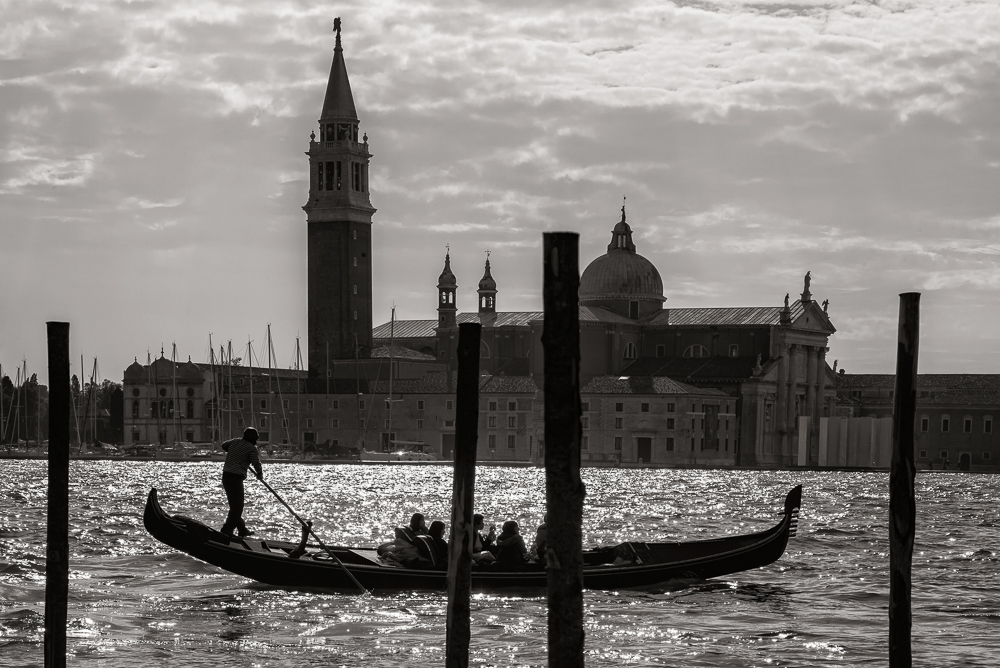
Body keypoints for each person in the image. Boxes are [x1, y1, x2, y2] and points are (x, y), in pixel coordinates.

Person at [220, 426, 263, 538]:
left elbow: (224, 445)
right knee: (237, 507)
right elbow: (256, 463)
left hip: (226, 476)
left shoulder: (235, 442)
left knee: (235, 506)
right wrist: (260, 474)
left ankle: (242, 529)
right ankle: (227, 530)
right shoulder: (251, 448)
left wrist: (235, 451)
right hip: (235, 477)